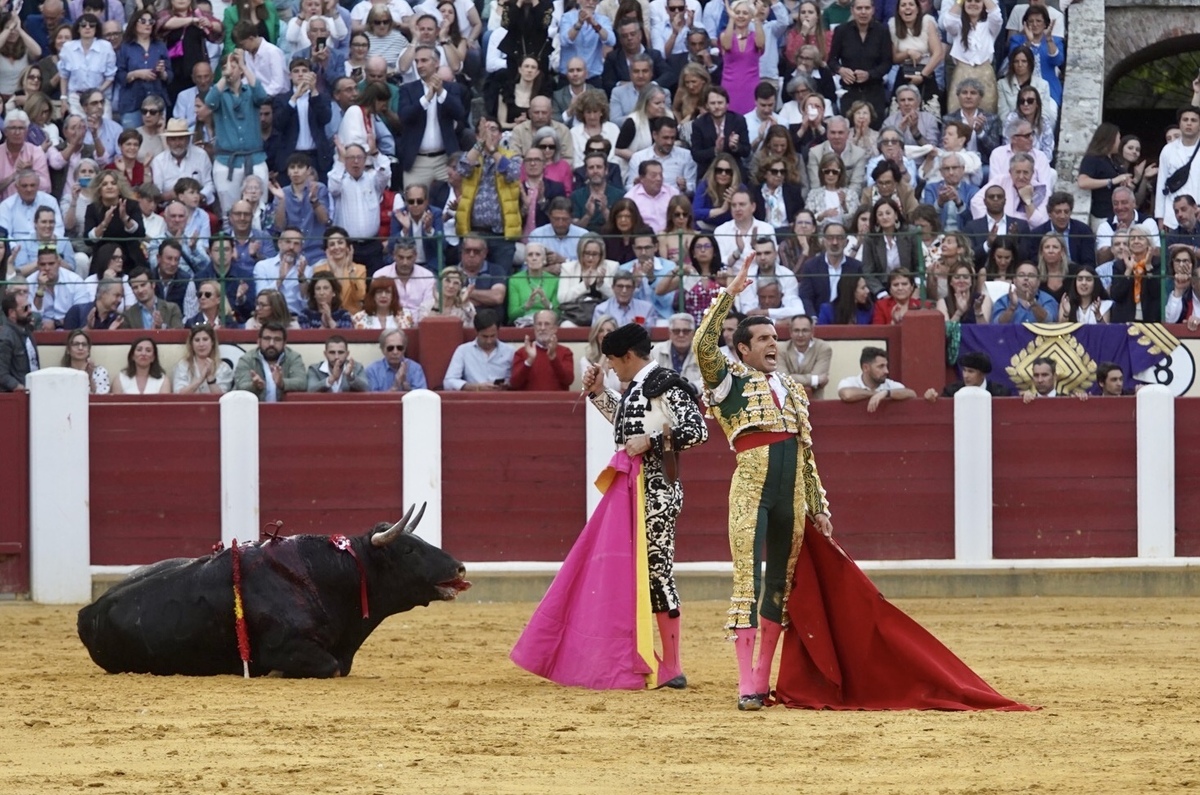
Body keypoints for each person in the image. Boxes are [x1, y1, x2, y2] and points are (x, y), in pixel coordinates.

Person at [527, 320, 705, 691]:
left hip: (656, 492)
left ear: (628, 356)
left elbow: (696, 429)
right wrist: (597, 392)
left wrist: (653, 441)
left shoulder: (666, 384)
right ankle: (644, 657)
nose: (609, 367)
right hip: (632, 490)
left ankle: (672, 666)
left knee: (657, 573)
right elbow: (626, 428)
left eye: (611, 361)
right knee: (633, 575)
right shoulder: (638, 386)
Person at [690, 254, 832, 709]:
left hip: (790, 493)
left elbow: (806, 452)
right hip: (751, 490)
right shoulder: (730, 380)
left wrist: (819, 506)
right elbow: (702, 347)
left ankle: (762, 676)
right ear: (744, 350)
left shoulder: (793, 388)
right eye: (765, 339)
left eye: (776, 337)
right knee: (747, 582)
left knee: (780, 585)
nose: (774, 344)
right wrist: (729, 293)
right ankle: (745, 682)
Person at [828, 0, 890, 120]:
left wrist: (869, 74)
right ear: (852, 10)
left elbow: (887, 63)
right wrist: (840, 69)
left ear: (873, 10)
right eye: (859, 8)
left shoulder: (882, 31)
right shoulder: (841, 31)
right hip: (850, 89)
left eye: (867, 8)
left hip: (874, 90)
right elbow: (831, 60)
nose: (863, 12)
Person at [442, 310, 515, 391]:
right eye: (484, 336)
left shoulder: (510, 351)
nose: (489, 341)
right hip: (473, 398)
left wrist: (507, 384)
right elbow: (448, 382)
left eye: (492, 336)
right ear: (476, 332)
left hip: (502, 398)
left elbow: (516, 380)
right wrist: (476, 387)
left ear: (498, 331)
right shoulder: (463, 351)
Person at [233, 322, 306, 401]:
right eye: (267, 338)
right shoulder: (247, 359)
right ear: (258, 341)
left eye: (277, 339)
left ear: (284, 343)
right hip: (255, 411)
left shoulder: (294, 358)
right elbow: (241, 386)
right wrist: (254, 386)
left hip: (286, 411)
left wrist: (282, 383)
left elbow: (302, 383)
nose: (271, 344)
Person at [837, 345, 916, 410]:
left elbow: (911, 394)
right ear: (866, 368)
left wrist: (886, 393)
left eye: (886, 366)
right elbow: (847, 394)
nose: (886, 371)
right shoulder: (850, 382)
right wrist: (877, 394)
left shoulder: (889, 385)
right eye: (881, 366)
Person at [510, 309, 573, 390]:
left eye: (547, 324)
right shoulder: (521, 352)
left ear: (555, 328)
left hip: (556, 401)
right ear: (534, 327)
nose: (542, 328)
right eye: (539, 324)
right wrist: (529, 361)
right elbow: (514, 383)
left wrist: (554, 359)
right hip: (529, 401)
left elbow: (568, 380)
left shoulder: (565, 352)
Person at [777, 314, 831, 399]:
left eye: (805, 330)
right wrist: (814, 380)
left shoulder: (823, 348)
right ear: (790, 332)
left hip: (814, 401)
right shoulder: (780, 349)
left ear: (812, 332)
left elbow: (819, 382)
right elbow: (782, 379)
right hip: (786, 401)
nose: (800, 335)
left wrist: (791, 378)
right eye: (796, 330)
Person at [922, 351, 1012, 400]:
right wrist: (932, 398)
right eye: (964, 370)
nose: (965, 375)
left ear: (983, 374)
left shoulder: (1000, 393)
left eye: (971, 371)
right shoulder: (952, 391)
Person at [172, 323, 233, 394]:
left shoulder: (224, 368)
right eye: (197, 340)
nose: (201, 344)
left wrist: (210, 378)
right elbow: (179, 395)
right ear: (191, 344)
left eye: (205, 339)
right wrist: (200, 380)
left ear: (212, 342)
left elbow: (222, 398)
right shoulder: (182, 365)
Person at [649, 312, 702, 390]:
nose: (681, 335)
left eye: (686, 331)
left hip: (693, 397)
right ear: (670, 333)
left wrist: (693, 387)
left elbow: (710, 381)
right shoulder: (655, 351)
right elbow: (648, 378)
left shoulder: (703, 353)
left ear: (693, 333)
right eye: (676, 331)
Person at [992, 261, 1057, 323]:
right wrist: (1012, 308)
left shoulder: (1048, 300)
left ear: (1038, 282)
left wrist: (1033, 303)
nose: (1026, 278)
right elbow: (997, 325)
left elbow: (1050, 322)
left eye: (1031, 275)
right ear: (1014, 280)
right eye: (1021, 275)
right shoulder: (1003, 301)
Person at [365, 328, 429, 392]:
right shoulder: (372, 371)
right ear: (382, 350)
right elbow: (373, 400)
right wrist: (395, 386)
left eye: (399, 348)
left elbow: (422, 398)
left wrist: (405, 385)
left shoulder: (415, 369)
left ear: (404, 349)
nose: (395, 352)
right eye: (390, 348)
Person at [0, 291, 38, 392]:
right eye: (25, 308)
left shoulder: (26, 331)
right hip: (17, 396)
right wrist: (22, 389)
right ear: (12, 313)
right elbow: (2, 374)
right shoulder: (5, 338)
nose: (30, 311)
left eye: (29, 306)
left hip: (34, 390)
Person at [59, 328, 110, 394]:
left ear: (89, 350)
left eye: (84, 344)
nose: (80, 348)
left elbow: (100, 398)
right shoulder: (62, 373)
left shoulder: (100, 372)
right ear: (68, 350)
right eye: (76, 344)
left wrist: (90, 377)